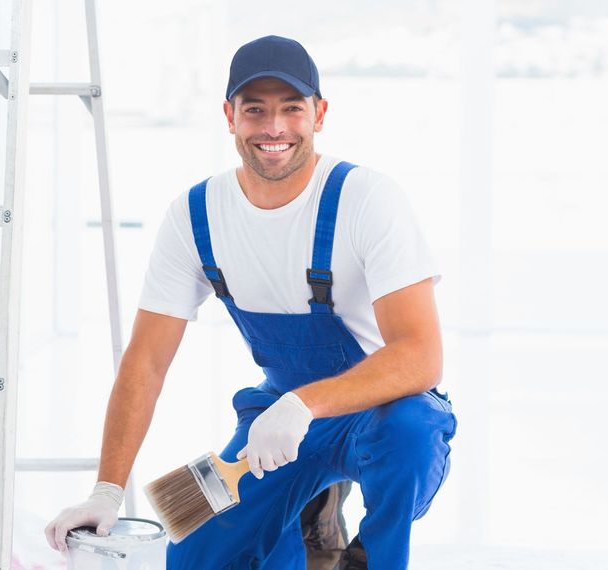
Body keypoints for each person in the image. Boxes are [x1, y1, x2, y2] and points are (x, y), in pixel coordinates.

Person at [45, 35, 457, 569]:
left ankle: (362, 556)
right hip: (272, 426)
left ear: (320, 113)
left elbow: (421, 357)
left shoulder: (367, 199)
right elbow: (145, 361)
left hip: (373, 413)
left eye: (292, 108)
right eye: (255, 110)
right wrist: (105, 490)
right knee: (191, 553)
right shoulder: (196, 216)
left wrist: (304, 405)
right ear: (229, 116)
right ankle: (309, 508)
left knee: (412, 432)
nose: (274, 127)